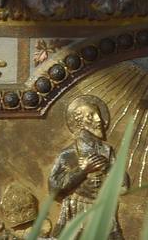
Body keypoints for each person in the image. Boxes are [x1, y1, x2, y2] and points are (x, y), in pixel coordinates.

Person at [48, 94, 126, 240]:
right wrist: (82, 171)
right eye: (91, 116)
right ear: (79, 123)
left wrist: (108, 168)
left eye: (98, 115)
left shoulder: (107, 151)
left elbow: (124, 186)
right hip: (77, 211)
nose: (99, 119)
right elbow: (53, 188)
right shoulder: (68, 153)